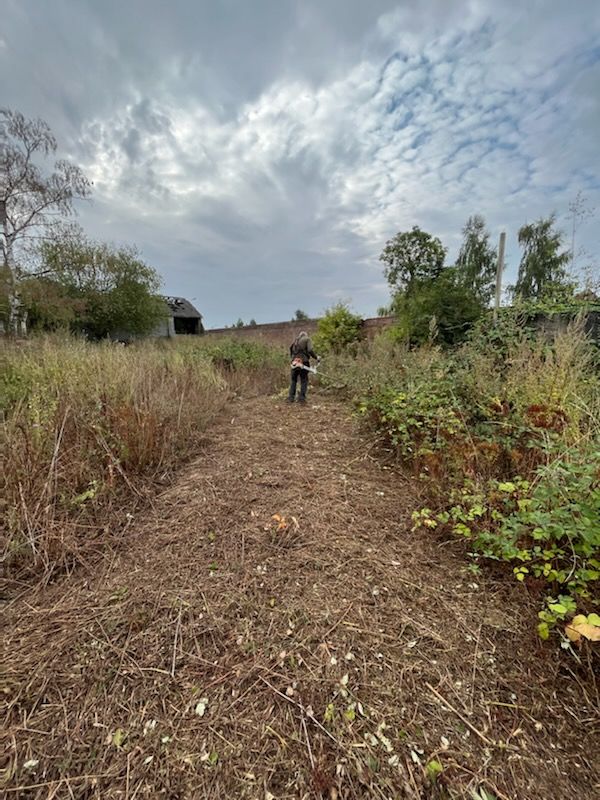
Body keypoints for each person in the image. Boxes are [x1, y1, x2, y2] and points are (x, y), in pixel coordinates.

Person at [288, 330, 319, 404]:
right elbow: (310, 350)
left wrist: (293, 358)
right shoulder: (307, 339)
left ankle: (291, 398)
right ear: (305, 335)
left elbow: (290, 349)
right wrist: (316, 357)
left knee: (293, 380)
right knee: (304, 380)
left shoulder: (295, 340)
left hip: (294, 362)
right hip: (303, 362)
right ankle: (301, 399)